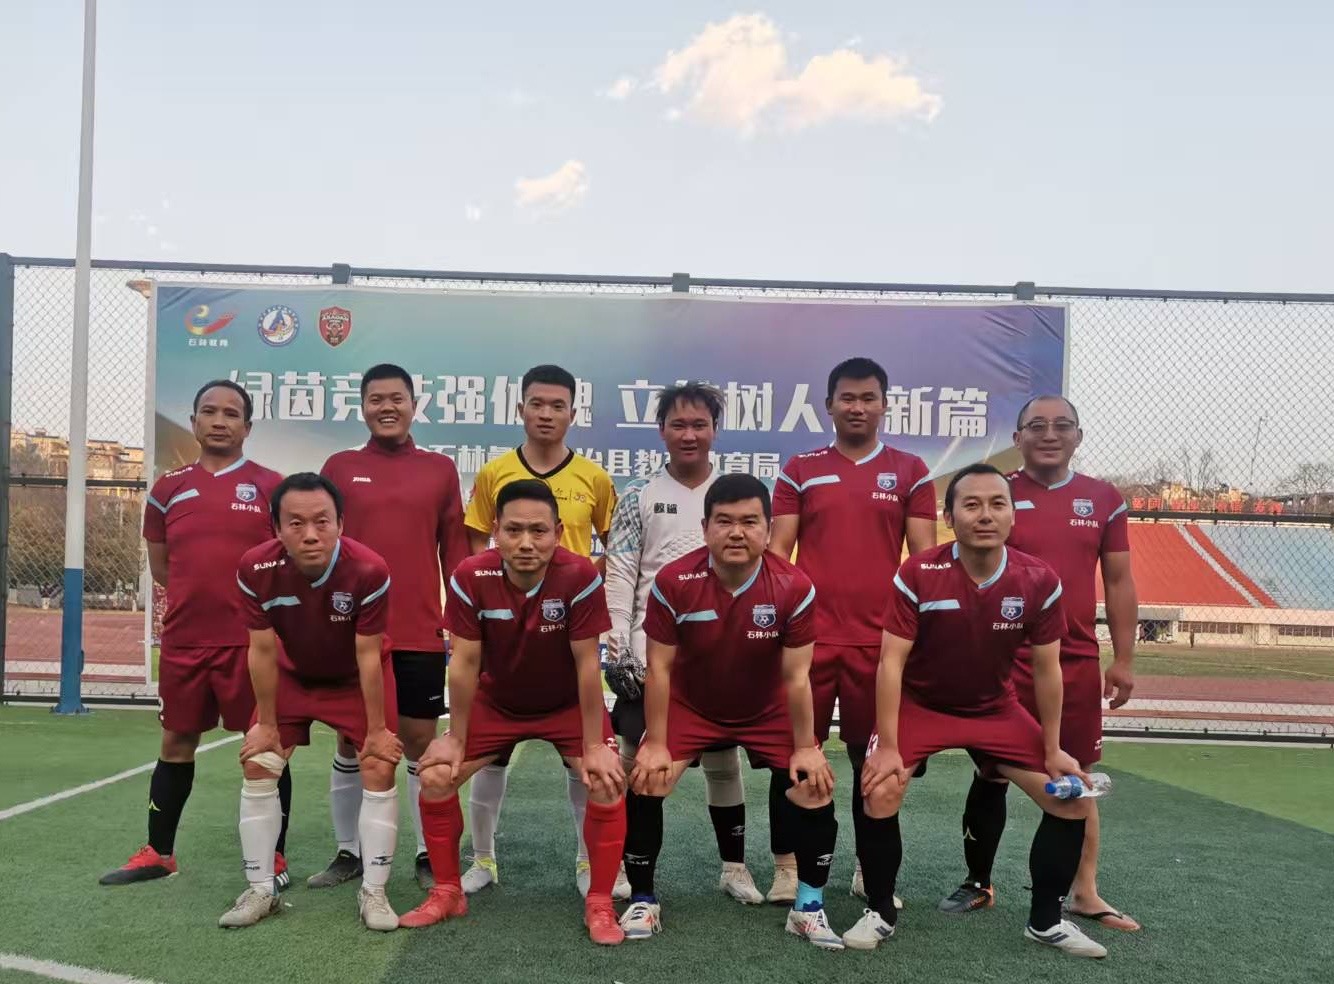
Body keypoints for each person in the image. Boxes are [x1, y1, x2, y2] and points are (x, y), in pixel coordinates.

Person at [847, 464, 1107, 958]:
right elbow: (890, 663)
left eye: (996, 504)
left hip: (994, 709)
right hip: (921, 705)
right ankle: (880, 911)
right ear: (949, 517)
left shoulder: (1038, 579)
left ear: (1012, 515)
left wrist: (1054, 749)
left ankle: (1046, 922)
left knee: (1071, 799)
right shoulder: (918, 573)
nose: (984, 515)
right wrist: (889, 747)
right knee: (880, 789)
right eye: (971, 504)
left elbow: (1048, 671)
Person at [621, 474, 845, 950]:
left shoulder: (793, 586)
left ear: (768, 529)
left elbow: (796, 678)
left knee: (814, 785)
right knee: (647, 778)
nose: (737, 533)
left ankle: (808, 908)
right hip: (691, 705)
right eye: (724, 521)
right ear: (705, 528)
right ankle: (643, 899)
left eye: (749, 522)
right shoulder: (673, 582)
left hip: (766, 709)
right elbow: (659, 669)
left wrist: (806, 747)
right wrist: (656, 743)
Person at [944, 396, 1139, 930]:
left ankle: (1084, 892)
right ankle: (978, 882)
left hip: (1072, 661)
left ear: (1078, 435)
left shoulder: (1104, 499)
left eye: (1061, 425)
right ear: (1018, 437)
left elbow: (1119, 580)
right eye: (1036, 426)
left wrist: (1124, 658)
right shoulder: (997, 495)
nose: (1049, 434)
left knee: (1077, 774)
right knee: (991, 772)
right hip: (1003, 661)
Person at [404, 480, 627, 946]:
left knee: (606, 781)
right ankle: (447, 892)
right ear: (495, 532)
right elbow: (464, 661)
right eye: (514, 530)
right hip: (497, 704)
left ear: (558, 532)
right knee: (436, 775)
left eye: (538, 531)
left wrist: (593, 745)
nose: (526, 542)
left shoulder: (580, 576)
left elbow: (588, 665)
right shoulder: (470, 576)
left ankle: (600, 901)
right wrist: (456, 736)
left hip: (566, 704)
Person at [101, 381, 289, 888]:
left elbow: (285, 565)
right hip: (186, 640)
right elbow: (163, 567)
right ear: (194, 422)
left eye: (231, 413)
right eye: (209, 411)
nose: (220, 421)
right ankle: (159, 853)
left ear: (247, 427)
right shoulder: (167, 489)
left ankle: (273, 858)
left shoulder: (272, 486)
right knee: (176, 741)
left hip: (251, 642)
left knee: (265, 744)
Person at [768, 357, 936, 904]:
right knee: (795, 757)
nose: (857, 407)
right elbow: (778, 556)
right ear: (829, 405)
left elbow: (926, 562)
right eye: (847, 397)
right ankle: (788, 868)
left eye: (868, 398)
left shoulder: (911, 471)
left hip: (879, 647)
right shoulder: (801, 469)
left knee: (874, 761)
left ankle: (869, 868)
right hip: (809, 644)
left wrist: (922, 638)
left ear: (885, 405)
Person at [310, 364, 469, 892]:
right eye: (376, 398)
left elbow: (455, 551)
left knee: (420, 742)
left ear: (414, 405)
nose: (387, 407)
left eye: (396, 398)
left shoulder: (439, 470)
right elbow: (323, 549)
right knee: (352, 740)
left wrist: (459, 618)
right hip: (353, 632)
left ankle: (427, 854)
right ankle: (348, 852)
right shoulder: (340, 466)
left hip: (419, 628)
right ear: (362, 406)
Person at [460, 364, 616, 896]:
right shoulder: (493, 474)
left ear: (573, 412)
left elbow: (614, 548)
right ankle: (483, 860)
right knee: (491, 755)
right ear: (520, 408)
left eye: (557, 405)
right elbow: (476, 552)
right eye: (537, 403)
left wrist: (588, 592)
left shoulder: (595, 478)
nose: (546, 414)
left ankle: (588, 864)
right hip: (505, 638)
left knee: (587, 764)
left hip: (569, 636)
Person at [221, 473, 402, 931]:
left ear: (341, 523)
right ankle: (260, 890)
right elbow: (262, 649)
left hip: (354, 677)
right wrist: (266, 724)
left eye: (322, 521)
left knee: (378, 764)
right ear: (276, 528)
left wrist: (377, 732)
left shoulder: (370, 569)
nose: (310, 534)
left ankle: (375, 892)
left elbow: (368, 656)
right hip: (293, 675)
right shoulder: (255, 568)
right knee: (259, 762)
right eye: (296, 523)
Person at [605, 382, 759, 904]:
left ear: (715, 430)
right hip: (652, 653)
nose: (689, 434)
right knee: (636, 759)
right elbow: (620, 573)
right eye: (678, 424)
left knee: (723, 761)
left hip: (720, 654)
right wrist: (618, 646)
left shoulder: (734, 495)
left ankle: (734, 868)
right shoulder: (638, 495)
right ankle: (624, 866)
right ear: (661, 431)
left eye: (699, 425)